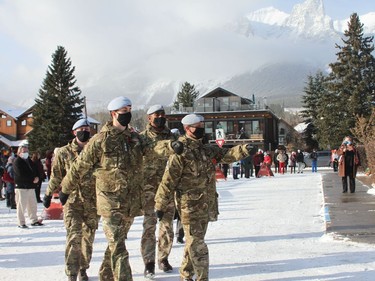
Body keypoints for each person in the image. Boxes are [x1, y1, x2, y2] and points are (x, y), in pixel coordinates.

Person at [59, 96, 183, 281]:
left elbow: (153, 147)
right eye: (123, 111)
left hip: (129, 204)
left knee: (115, 246)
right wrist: (65, 189)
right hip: (110, 203)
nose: (127, 114)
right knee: (119, 248)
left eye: (129, 110)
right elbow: (79, 166)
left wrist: (171, 146)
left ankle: (106, 275)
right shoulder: (100, 140)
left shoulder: (134, 138)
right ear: (113, 114)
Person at [154, 113, 251, 281]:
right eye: (197, 127)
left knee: (193, 241)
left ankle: (185, 274)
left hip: (206, 204)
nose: (201, 130)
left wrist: (243, 150)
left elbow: (225, 155)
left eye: (202, 126)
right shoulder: (180, 151)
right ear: (187, 128)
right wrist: (160, 205)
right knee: (198, 245)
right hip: (189, 206)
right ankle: (201, 278)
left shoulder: (204, 149)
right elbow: (168, 181)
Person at [43, 118, 98, 281]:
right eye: (81, 129)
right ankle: (72, 272)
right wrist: (48, 194)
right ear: (74, 132)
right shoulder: (63, 152)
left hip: (92, 202)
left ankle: (83, 268)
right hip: (72, 201)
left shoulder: (94, 151)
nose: (85, 131)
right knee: (74, 237)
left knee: (88, 239)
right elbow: (56, 176)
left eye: (87, 129)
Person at [140, 105, 178, 279]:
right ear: (149, 118)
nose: (160, 117)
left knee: (167, 226)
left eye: (163, 114)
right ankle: (148, 262)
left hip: (168, 189)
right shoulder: (140, 139)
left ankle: (163, 258)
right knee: (149, 227)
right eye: (157, 115)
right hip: (148, 190)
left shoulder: (173, 137)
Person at [13, 144, 44, 228]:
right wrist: (32, 179)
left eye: (27, 151)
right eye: (24, 151)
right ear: (19, 152)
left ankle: (34, 220)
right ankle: (21, 222)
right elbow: (20, 174)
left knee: (32, 205)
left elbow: (35, 170)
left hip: (30, 186)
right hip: (21, 186)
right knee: (21, 206)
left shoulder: (29, 161)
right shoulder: (17, 161)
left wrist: (37, 177)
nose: (26, 153)